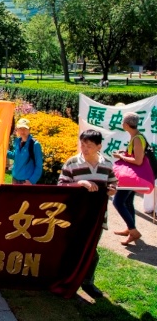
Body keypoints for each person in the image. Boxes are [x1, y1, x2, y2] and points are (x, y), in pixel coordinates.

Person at [58, 129, 117, 299]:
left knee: (91, 249)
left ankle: (87, 282)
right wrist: (80, 183)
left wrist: (112, 190)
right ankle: (67, 280)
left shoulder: (107, 164)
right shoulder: (72, 163)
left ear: (99, 146)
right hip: (74, 215)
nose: (84, 148)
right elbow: (61, 186)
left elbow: (113, 184)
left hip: (97, 216)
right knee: (72, 247)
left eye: (89, 145)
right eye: (82, 144)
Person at [112, 112, 145, 245]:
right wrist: (124, 154)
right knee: (128, 202)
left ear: (126, 125)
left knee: (117, 202)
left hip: (132, 176)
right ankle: (129, 229)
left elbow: (138, 161)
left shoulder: (137, 138)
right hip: (134, 175)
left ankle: (133, 230)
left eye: (122, 122)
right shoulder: (136, 136)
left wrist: (121, 157)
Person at [7, 118, 43, 185]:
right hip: (15, 179)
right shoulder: (17, 141)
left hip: (26, 181)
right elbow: (16, 156)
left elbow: (39, 166)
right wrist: (4, 152)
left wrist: (31, 181)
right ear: (17, 129)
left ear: (29, 130)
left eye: (25, 128)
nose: (22, 131)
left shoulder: (35, 144)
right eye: (20, 128)